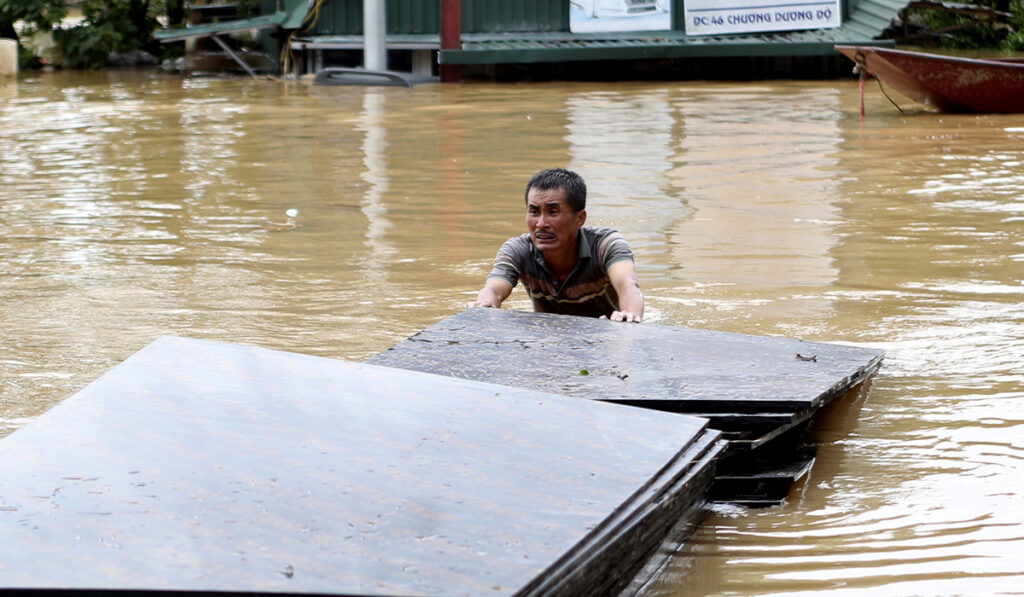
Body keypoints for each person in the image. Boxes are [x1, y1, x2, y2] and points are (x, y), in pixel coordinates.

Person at [470, 168, 644, 322]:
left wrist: (628, 316)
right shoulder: (519, 250)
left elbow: (628, 285)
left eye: (553, 212)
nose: (541, 224)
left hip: (606, 332)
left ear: (579, 218)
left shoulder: (606, 245)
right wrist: (485, 306)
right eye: (534, 212)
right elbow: (494, 289)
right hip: (548, 338)